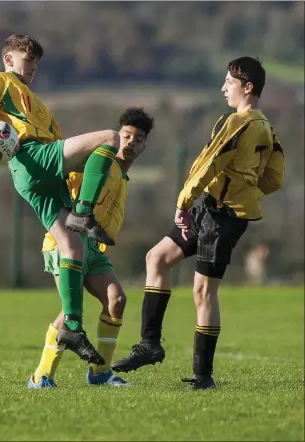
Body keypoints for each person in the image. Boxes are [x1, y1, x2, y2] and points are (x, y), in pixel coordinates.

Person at [111, 57, 285, 390]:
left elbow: (208, 162)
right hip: (212, 208)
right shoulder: (266, 128)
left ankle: (202, 377)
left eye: (229, 83)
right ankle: (150, 344)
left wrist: (183, 203)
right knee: (156, 258)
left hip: (222, 217)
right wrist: (248, 191)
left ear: (247, 88)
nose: (223, 88)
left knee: (203, 292)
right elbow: (275, 178)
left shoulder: (237, 122)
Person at [0, 34, 124, 365]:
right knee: (110, 138)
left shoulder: (38, 104)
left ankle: (72, 326)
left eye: (37, 61)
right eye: (28, 59)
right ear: (9, 60)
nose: (34, 66)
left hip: (43, 176)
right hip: (32, 156)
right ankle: (83, 213)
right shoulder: (0, 80)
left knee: (71, 248)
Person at [27, 107, 154, 388]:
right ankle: (41, 376)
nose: (131, 142)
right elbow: (64, 170)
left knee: (116, 301)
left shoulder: (123, 177)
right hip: (65, 242)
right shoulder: (97, 161)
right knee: (69, 312)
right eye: (126, 135)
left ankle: (100, 373)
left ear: (145, 145)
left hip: (94, 250)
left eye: (138, 138)